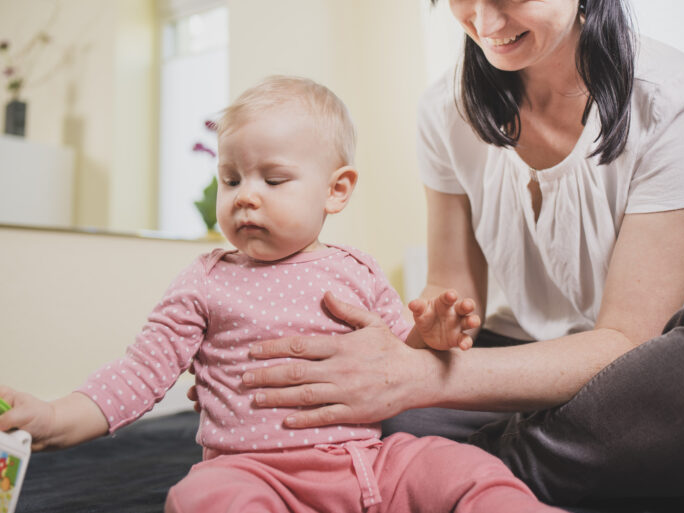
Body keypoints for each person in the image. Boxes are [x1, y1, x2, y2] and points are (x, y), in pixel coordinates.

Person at [218, 0, 684, 508]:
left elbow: (625, 339)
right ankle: (465, 476)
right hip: (518, 362)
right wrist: (386, 351)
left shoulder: (675, 95)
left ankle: (469, 472)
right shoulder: (444, 108)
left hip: (661, 365)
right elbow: (449, 290)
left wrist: (416, 380)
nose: (483, 21)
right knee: (344, 412)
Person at [0, 76, 565, 513]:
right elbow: (136, 377)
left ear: (336, 190)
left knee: (463, 468)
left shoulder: (357, 272)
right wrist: (52, 416)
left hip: (371, 462)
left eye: (272, 180)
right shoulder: (205, 281)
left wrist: (430, 337)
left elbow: (401, 365)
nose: (246, 197)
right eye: (231, 179)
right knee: (203, 497)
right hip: (256, 470)